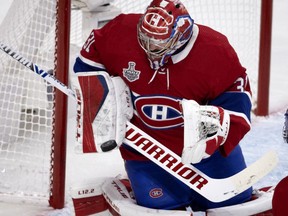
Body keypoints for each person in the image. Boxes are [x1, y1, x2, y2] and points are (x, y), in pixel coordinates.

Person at [73, 0, 253, 212]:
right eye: (146, 38)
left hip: (205, 153)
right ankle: (130, 186)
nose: (151, 47)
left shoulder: (214, 50)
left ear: (182, 34)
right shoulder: (122, 30)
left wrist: (220, 123)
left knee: (234, 204)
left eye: (159, 42)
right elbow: (91, 54)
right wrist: (98, 92)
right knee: (162, 210)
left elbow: (237, 93)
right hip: (145, 153)